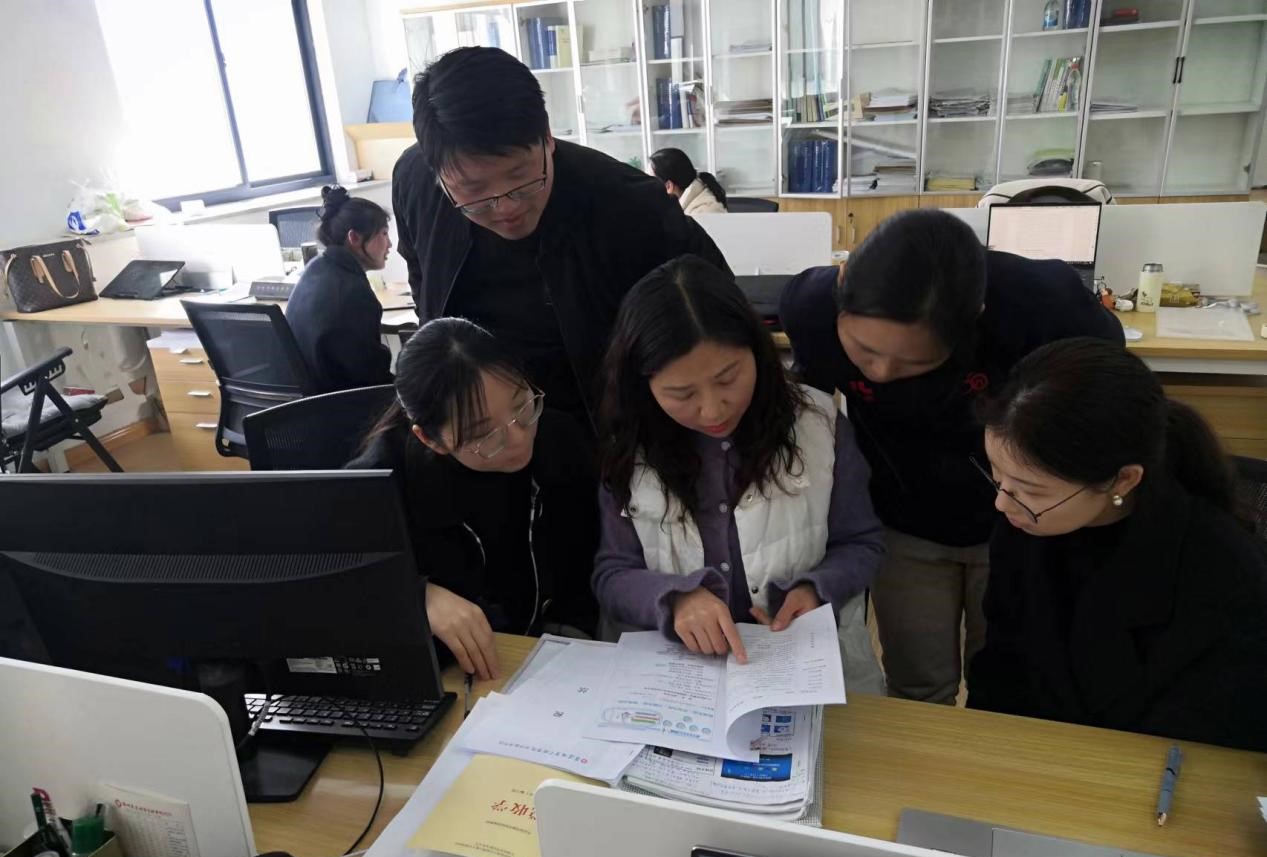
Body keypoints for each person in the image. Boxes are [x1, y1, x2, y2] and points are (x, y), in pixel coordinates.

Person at [779, 208, 1125, 705]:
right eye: (864, 350)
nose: (880, 373)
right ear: (841, 287)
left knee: (1011, 684)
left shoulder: (1043, 305)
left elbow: (1106, 390)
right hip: (901, 516)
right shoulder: (811, 309)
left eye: (913, 361)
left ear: (974, 316)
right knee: (918, 684)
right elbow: (806, 420)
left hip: (1020, 521)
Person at [393, 46, 730, 430]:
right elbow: (422, 278)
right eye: (474, 191)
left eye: (520, 177)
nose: (505, 207)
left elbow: (716, 304)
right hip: (486, 431)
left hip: (604, 425)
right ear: (438, 175)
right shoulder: (414, 183)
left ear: (548, 138)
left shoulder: (630, 204)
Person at [592, 255, 886, 691]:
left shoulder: (819, 425)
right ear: (643, 385)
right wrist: (673, 600)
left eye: (728, 378)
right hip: (683, 678)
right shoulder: (630, 447)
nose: (713, 410)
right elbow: (612, 572)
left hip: (794, 665)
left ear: (757, 351)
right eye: (682, 394)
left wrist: (815, 588)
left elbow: (861, 542)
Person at [967, 339, 1267, 751]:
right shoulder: (1024, 526)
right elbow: (1001, 669)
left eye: (1030, 490)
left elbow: (1212, 731)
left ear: (1123, 480)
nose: (1002, 503)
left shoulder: (1223, 571)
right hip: (1036, 760)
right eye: (997, 476)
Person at [347, 318, 599, 680]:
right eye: (484, 434)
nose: (518, 439)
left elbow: (584, 565)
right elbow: (334, 584)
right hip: (451, 674)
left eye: (522, 406)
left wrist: (575, 633)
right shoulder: (378, 485)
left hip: (546, 663)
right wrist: (417, 596)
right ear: (430, 439)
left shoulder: (559, 439)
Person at [284, 186, 393, 392]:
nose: (390, 244)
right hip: (339, 402)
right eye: (384, 234)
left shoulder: (315, 267)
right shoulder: (353, 292)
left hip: (309, 400)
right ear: (354, 238)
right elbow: (372, 377)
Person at [650, 148, 728, 215]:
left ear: (668, 186)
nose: (647, 186)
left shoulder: (703, 212)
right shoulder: (679, 205)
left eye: (650, 181)